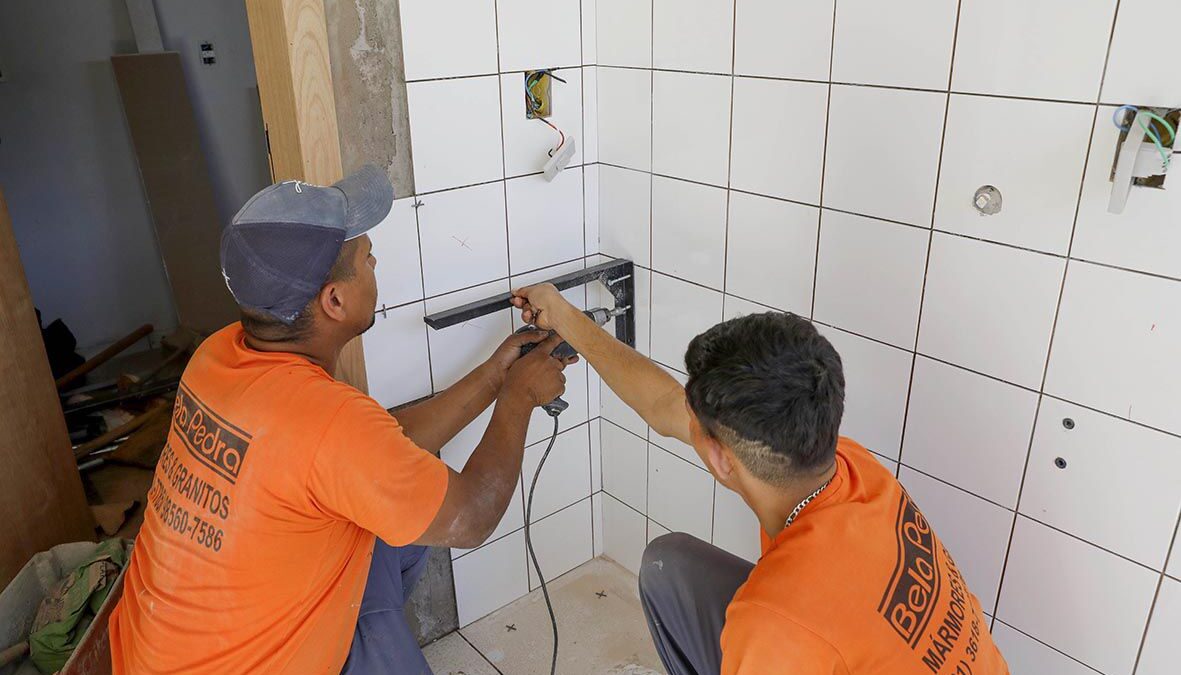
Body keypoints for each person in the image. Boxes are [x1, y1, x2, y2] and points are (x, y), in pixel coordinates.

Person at [109, 166, 573, 674]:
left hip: (157, 652)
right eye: (364, 256)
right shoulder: (324, 422)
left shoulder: (218, 356)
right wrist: (521, 398)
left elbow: (373, 454)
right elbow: (469, 519)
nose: (374, 259)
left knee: (397, 527)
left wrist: (494, 377)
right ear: (334, 300)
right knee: (415, 528)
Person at [511, 284, 1009, 675]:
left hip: (791, 628)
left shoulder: (775, 621)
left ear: (721, 457)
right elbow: (664, 407)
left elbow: (783, 624)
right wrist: (564, 316)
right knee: (672, 565)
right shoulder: (850, 466)